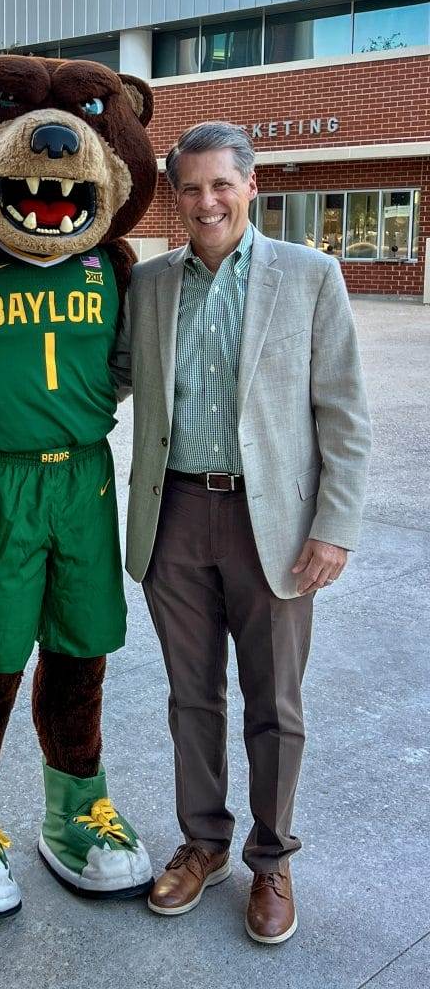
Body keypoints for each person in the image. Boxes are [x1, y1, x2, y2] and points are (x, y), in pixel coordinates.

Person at [111, 122, 371, 944]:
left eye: (221, 184)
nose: (206, 201)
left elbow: (345, 416)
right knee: (191, 696)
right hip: (175, 514)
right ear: (175, 197)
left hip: (278, 524)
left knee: (275, 702)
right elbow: (103, 380)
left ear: (251, 185)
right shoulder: (149, 286)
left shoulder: (310, 275)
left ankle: (271, 858)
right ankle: (203, 842)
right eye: (190, 189)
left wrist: (333, 527)